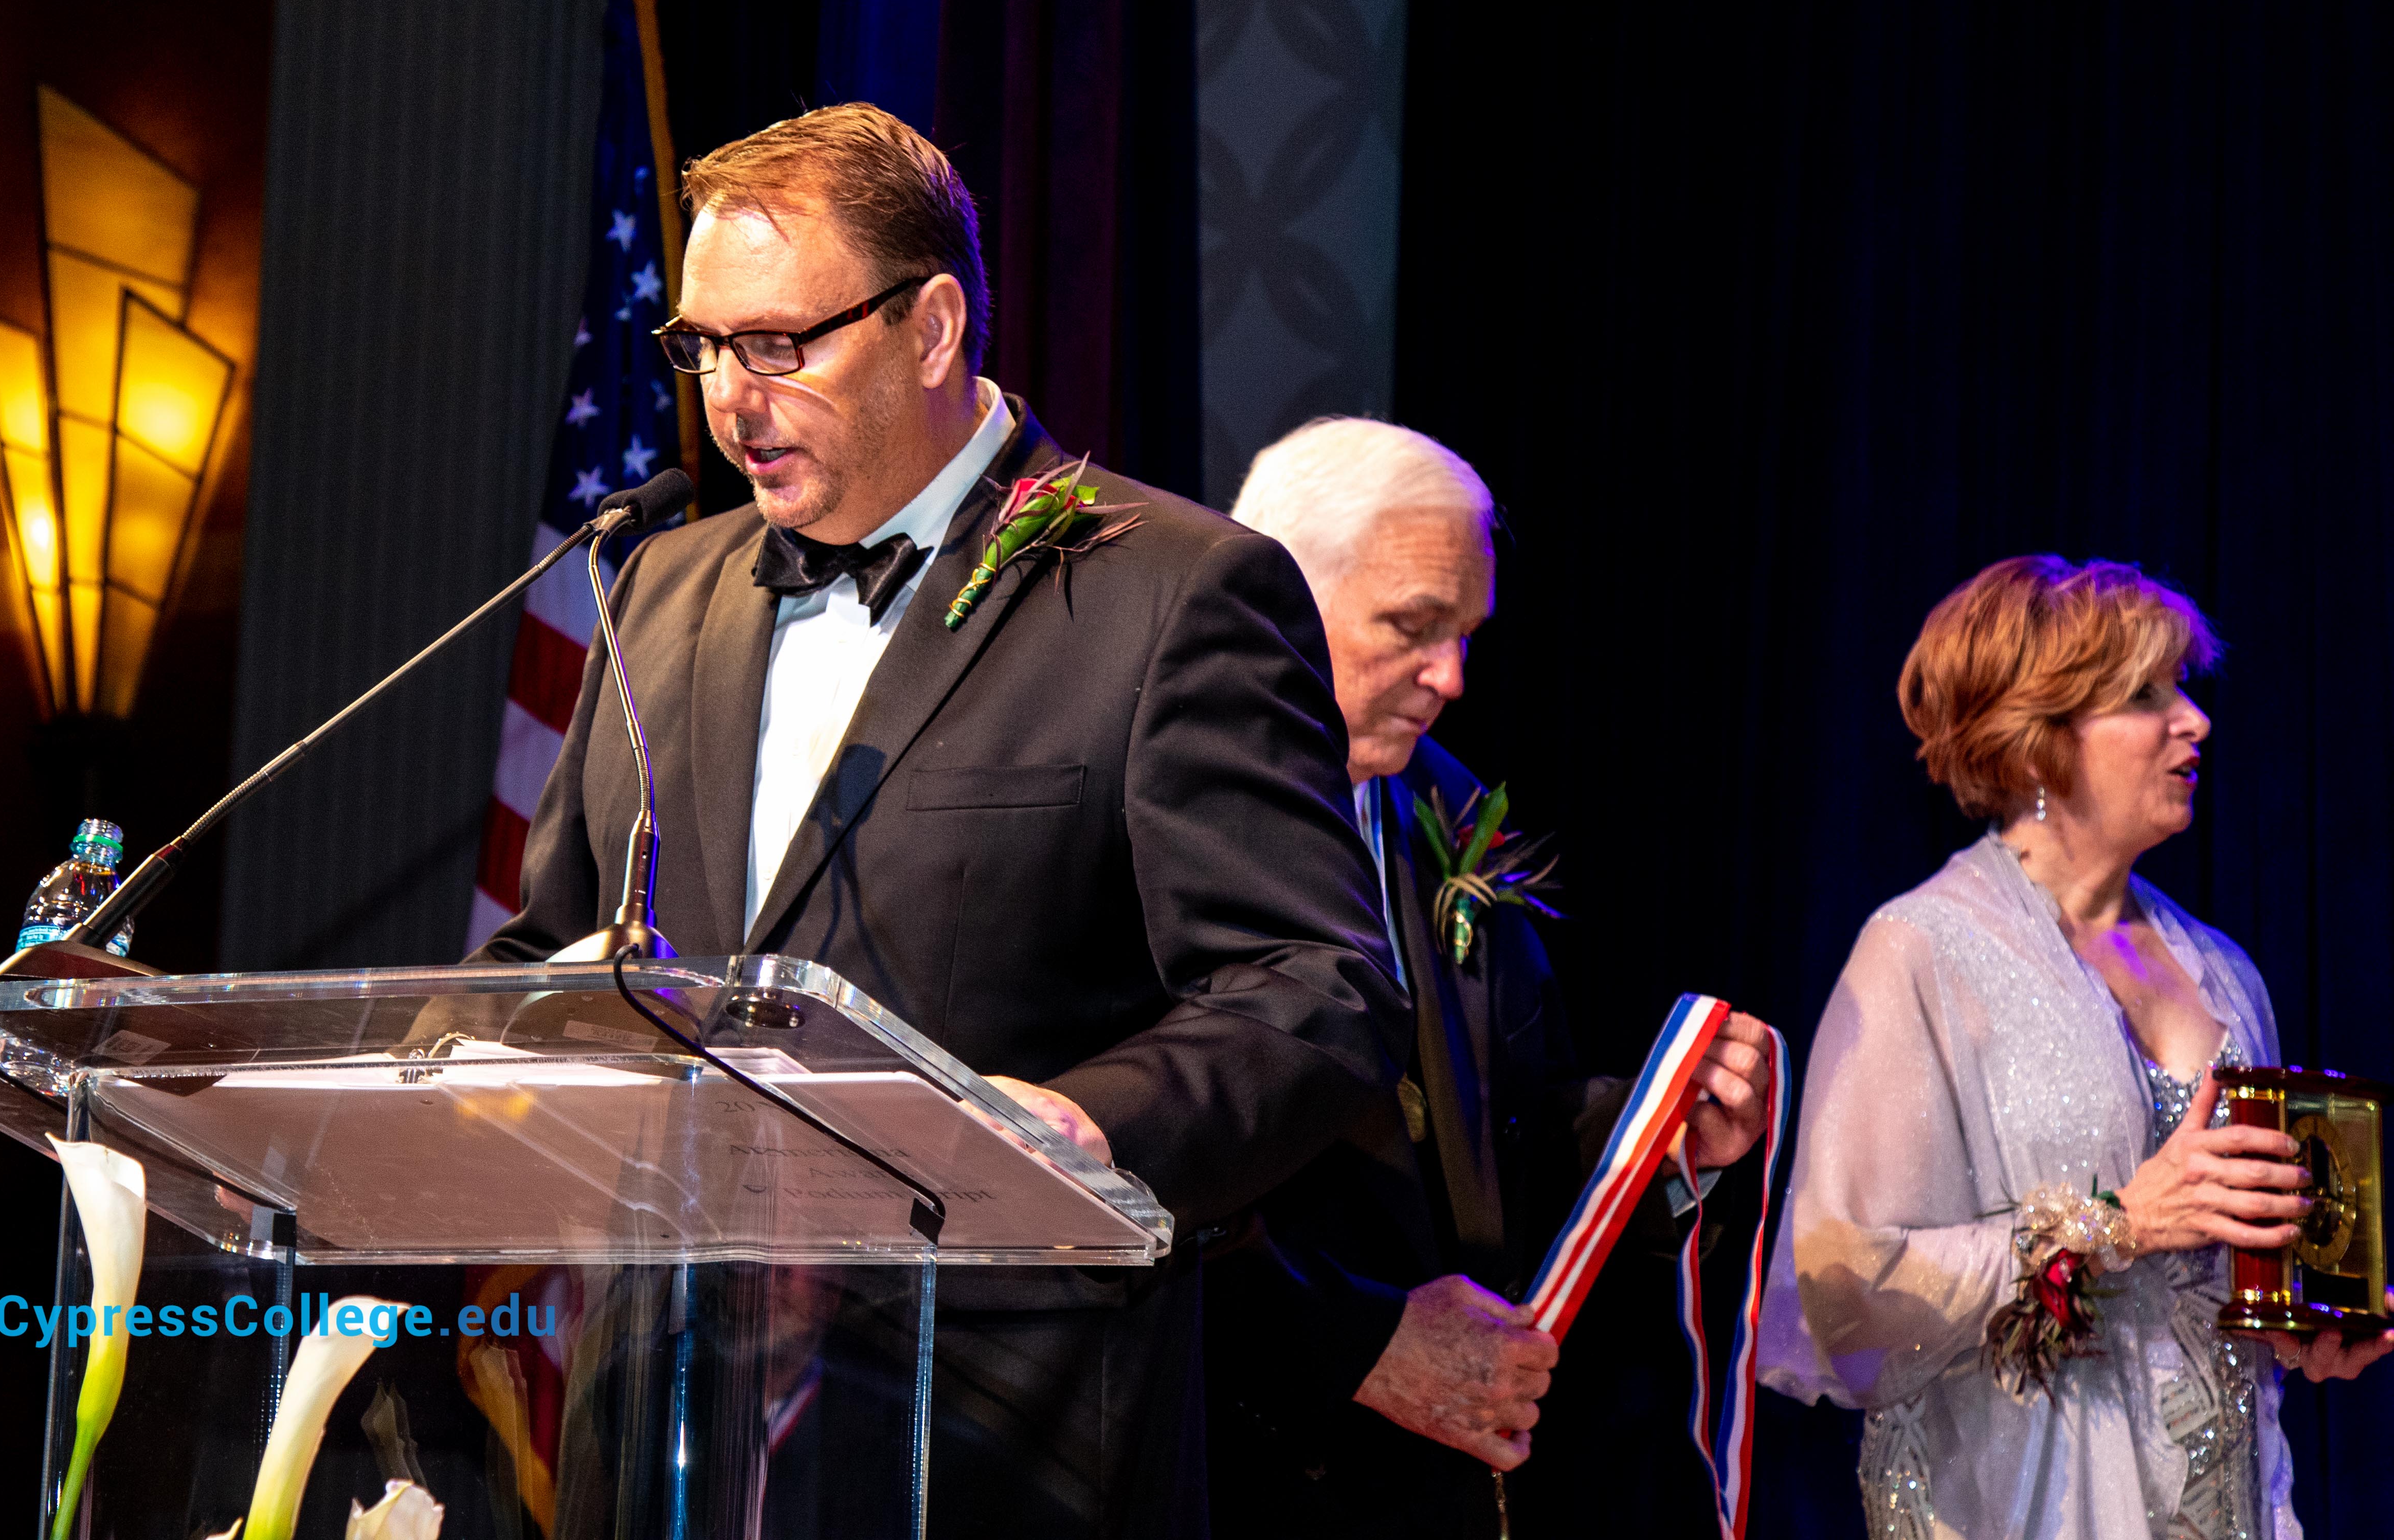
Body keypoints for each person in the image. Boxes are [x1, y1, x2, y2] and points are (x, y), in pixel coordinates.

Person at [471, 104, 1407, 1537]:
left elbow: (1315, 988)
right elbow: (554, 948)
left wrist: (1080, 1123)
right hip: (660, 1436)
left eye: (776, 344)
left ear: (930, 327)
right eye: (702, 347)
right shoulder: (652, 590)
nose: (731, 400)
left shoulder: (1172, 594)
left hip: (997, 1440)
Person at [1213, 416, 1775, 1537]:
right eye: (1413, 627)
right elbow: (1115, 1173)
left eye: (1465, 634)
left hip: (1434, 1488)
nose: (1453, 677)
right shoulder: (1158, 804)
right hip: (1236, 1467)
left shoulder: (1446, 801)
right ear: (1272, 596)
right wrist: (1356, 1341)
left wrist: (1663, 1141)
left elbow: (1508, 1120)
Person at [1764, 554, 2394, 1539]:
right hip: (2019, 1505)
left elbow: (2222, 1275)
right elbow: (1845, 1288)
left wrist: (2304, 1319)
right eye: (2146, 696)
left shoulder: (2222, 970)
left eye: (2182, 687)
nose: (2195, 721)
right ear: (2035, 743)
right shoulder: (1923, 951)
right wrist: (2114, 1225)